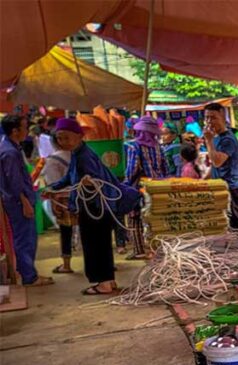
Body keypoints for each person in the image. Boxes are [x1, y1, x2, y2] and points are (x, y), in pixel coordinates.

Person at [46, 118, 121, 295]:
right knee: (101, 244)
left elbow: (94, 179)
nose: (62, 142)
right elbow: (69, 178)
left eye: (66, 137)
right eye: (59, 138)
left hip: (94, 207)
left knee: (94, 245)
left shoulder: (84, 156)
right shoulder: (77, 153)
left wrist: (88, 182)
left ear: (79, 136)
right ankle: (108, 280)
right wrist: (53, 188)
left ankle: (102, 283)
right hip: (94, 206)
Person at [0, 114, 53, 286]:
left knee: (24, 238)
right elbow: (14, 181)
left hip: (17, 199)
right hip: (18, 201)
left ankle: (28, 273)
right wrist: (25, 202)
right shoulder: (9, 152)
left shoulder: (10, 147)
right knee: (25, 239)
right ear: (15, 131)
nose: (26, 131)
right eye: (24, 128)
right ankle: (29, 276)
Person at [123, 116, 170, 257]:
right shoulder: (157, 147)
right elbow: (165, 167)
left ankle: (139, 250)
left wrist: (125, 184)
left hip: (139, 187)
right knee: (155, 217)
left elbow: (132, 169)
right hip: (157, 187)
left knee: (135, 218)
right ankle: (159, 248)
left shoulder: (134, 146)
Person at [203, 102, 238, 230]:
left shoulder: (228, 139)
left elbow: (217, 161)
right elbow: (214, 167)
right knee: (225, 226)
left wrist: (208, 141)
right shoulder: (217, 138)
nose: (209, 121)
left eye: (213, 117)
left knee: (236, 226)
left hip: (231, 189)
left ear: (222, 117)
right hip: (220, 187)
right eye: (207, 118)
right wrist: (203, 182)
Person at [38, 134, 74, 274]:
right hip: (82, 197)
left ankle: (66, 265)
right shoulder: (77, 155)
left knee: (66, 232)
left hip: (63, 200)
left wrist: (55, 201)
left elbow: (53, 184)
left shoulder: (53, 159)